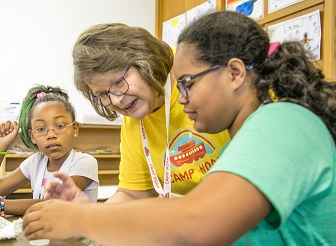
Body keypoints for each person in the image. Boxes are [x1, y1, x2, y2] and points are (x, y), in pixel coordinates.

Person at [22, 11, 336, 245]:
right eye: (102, 95)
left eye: (186, 84)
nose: (181, 98)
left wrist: (83, 218)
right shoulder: (250, 131)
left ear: (235, 73)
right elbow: (157, 202)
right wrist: (92, 214)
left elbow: (202, 221)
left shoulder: (280, 122)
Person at [71, 22, 230, 201]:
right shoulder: (133, 115)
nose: (116, 100)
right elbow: (133, 192)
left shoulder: (197, 74)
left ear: (144, 61)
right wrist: (91, 217)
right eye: (102, 94)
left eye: (118, 82)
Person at [0, 85, 99, 219]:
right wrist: (0, 148)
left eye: (60, 126)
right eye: (41, 128)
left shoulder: (84, 163)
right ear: (32, 136)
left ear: (75, 129)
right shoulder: (36, 162)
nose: (51, 135)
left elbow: (52, 204)